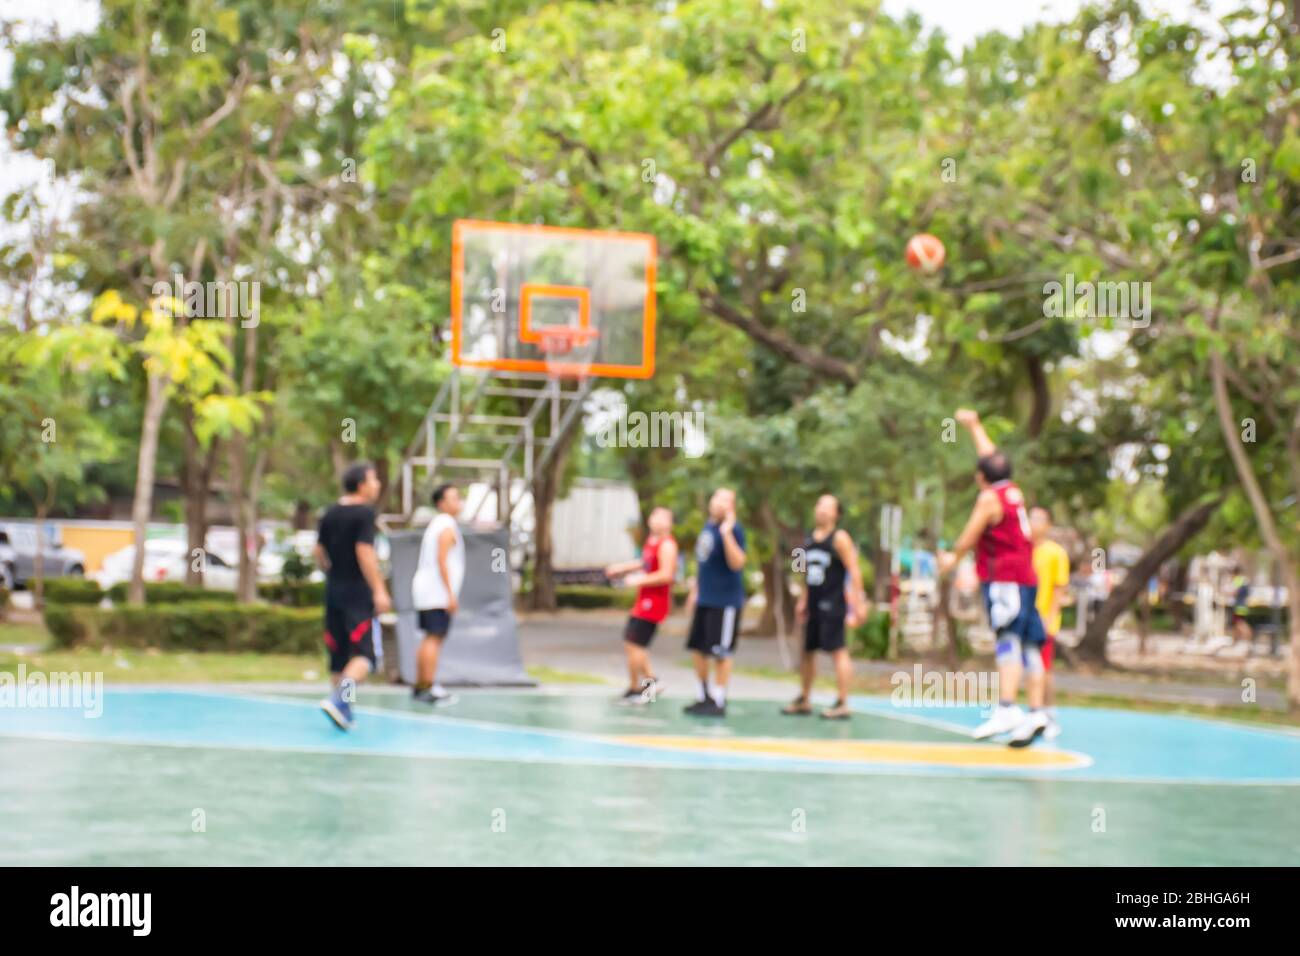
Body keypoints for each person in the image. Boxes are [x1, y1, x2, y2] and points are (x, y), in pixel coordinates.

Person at [937, 409, 1046, 747]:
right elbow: (991, 458)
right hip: (1026, 579)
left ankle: (1007, 708)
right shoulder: (1012, 491)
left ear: (980, 477)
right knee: (1029, 645)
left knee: (1005, 639)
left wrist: (951, 559)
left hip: (1004, 581)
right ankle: (1037, 712)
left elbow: (969, 536)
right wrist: (974, 426)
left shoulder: (988, 498)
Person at [316, 462, 392, 731]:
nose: (377, 484)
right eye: (373, 480)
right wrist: (380, 589)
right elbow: (365, 552)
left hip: (333, 589)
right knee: (365, 656)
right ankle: (339, 700)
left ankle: (342, 712)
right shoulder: (364, 514)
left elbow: (319, 552)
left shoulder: (329, 513)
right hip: (357, 592)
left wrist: (334, 572)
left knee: (339, 656)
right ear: (361, 485)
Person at [784, 494, 868, 720]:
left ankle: (842, 701)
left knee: (837, 651)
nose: (821, 510)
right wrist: (802, 599)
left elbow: (854, 570)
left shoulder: (840, 538)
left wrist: (859, 603)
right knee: (807, 651)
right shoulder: (807, 538)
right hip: (813, 602)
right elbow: (801, 570)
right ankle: (804, 698)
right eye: (819, 504)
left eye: (827, 507)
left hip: (833, 603)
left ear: (836, 514)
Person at [604, 506, 678, 705]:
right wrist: (622, 568)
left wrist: (637, 580)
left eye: (663, 517)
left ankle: (639, 687)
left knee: (636, 644)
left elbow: (666, 574)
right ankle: (649, 683)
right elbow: (644, 563)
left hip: (653, 603)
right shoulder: (651, 542)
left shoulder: (667, 545)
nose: (657, 520)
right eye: (655, 515)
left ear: (670, 523)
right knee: (633, 644)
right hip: (643, 601)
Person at [684, 488, 747, 717]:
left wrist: (727, 532)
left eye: (726, 500)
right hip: (705, 599)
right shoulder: (707, 528)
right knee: (697, 650)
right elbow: (703, 564)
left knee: (722, 653)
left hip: (725, 601)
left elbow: (737, 563)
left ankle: (719, 700)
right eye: (716, 497)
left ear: (732, 506)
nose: (719, 503)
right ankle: (704, 695)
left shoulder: (733, 530)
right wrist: (695, 592)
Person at [411, 483, 465, 705]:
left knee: (430, 638)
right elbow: (442, 560)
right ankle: (428, 687)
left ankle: (421, 686)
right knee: (434, 638)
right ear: (441, 503)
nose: (458, 501)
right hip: (436, 592)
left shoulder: (438, 524)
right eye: (453, 497)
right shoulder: (445, 525)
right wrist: (450, 594)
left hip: (429, 591)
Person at [1030, 506, 1069, 740]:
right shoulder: (1022, 549)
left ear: (1048, 525)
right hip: (1021, 621)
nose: (1034, 522)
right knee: (1016, 668)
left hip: (1043, 621)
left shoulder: (1056, 553)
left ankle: (1050, 715)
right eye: (1031, 517)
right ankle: (1028, 715)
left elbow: (1059, 588)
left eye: (1039, 519)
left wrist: (1050, 618)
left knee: (1044, 671)